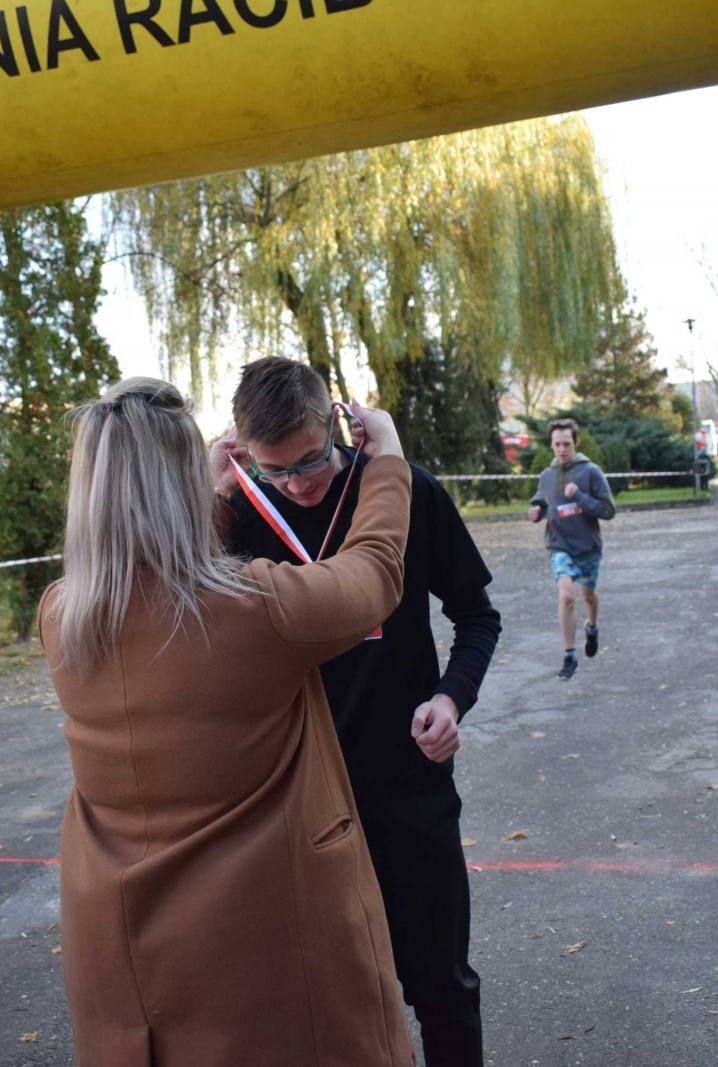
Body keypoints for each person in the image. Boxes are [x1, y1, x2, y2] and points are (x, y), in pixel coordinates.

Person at [40, 377, 416, 1066]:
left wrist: (214, 501)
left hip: (126, 963)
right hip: (263, 956)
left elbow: (153, 575)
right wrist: (387, 460)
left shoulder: (63, 617)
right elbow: (373, 572)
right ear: (183, 481)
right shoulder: (258, 610)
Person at [212, 357, 500, 1067]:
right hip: (293, 797)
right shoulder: (236, 512)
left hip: (407, 781)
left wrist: (449, 696)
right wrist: (207, 500)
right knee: (320, 996)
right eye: (276, 469)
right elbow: (193, 637)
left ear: (338, 424)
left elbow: (477, 616)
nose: (299, 483)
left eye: (312, 460)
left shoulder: (402, 492)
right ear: (242, 450)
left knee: (440, 983)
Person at [530, 418, 616, 680]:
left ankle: (592, 627)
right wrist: (536, 511)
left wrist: (579, 495)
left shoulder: (591, 472)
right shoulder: (547, 475)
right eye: (557, 444)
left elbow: (608, 510)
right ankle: (569, 655)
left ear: (575, 443)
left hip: (588, 547)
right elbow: (540, 501)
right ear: (551, 446)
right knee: (567, 596)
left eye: (566, 444)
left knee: (587, 595)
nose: (562, 449)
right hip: (559, 546)